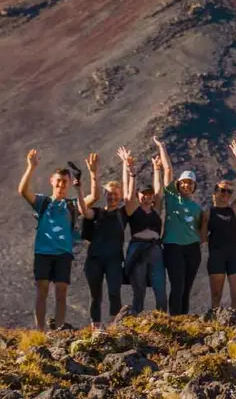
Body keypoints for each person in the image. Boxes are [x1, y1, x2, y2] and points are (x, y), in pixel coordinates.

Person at [17, 149, 92, 331]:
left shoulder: (71, 205)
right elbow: (23, 191)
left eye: (64, 182)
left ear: (68, 184)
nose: (61, 185)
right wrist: (31, 167)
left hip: (63, 254)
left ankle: (59, 331)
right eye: (58, 181)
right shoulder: (43, 202)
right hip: (43, 252)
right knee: (42, 290)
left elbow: (94, 198)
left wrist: (92, 177)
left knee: (61, 293)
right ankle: (40, 331)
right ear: (52, 181)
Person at [156, 137, 205, 315]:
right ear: (179, 184)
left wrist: (200, 240)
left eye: (190, 183)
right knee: (177, 285)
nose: (187, 185)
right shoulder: (171, 197)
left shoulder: (197, 208)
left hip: (192, 248)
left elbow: (201, 229)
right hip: (173, 247)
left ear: (193, 187)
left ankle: (184, 320)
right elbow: (168, 169)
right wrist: (162, 148)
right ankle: (175, 319)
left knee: (187, 287)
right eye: (184, 182)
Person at [120, 148, 167, 315]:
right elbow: (128, 194)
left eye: (149, 194)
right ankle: (136, 318)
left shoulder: (156, 209)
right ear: (139, 195)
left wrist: (157, 169)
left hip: (155, 248)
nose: (147, 196)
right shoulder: (133, 209)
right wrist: (130, 172)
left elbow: (159, 191)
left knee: (160, 286)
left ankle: (162, 319)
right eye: (143, 194)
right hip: (138, 248)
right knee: (139, 288)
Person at [82, 151, 126, 328]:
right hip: (94, 259)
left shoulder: (123, 214)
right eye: (109, 193)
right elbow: (85, 209)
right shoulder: (97, 212)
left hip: (115, 259)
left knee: (114, 292)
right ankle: (96, 328)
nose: (112, 196)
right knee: (95, 295)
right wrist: (93, 175)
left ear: (120, 196)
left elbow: (130, 193)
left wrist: (127, 167)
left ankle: (114, 326)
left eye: (115, 194)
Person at [203, 140, 236, 310]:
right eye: (222, 190)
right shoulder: (208, 213)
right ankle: (215, 327)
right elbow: (201, 236)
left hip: (235, 256)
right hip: (216, 256)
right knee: (216, 297)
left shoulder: (234, 210)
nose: (226, 194)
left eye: (229, 191)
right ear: (215, 192)